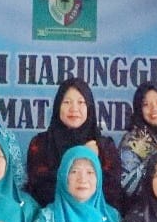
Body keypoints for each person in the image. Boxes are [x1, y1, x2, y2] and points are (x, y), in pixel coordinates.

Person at [26, 77, 123, 207]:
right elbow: (39, 188)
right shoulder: (40, 144)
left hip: (95, 216)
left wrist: (94, 160)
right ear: (58, 107)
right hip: (52, 215)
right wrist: (81, 155)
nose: (74, 108)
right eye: (67, 102)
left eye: (81, 102)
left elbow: (113, 192)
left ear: (89, 107)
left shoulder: (104, 147)